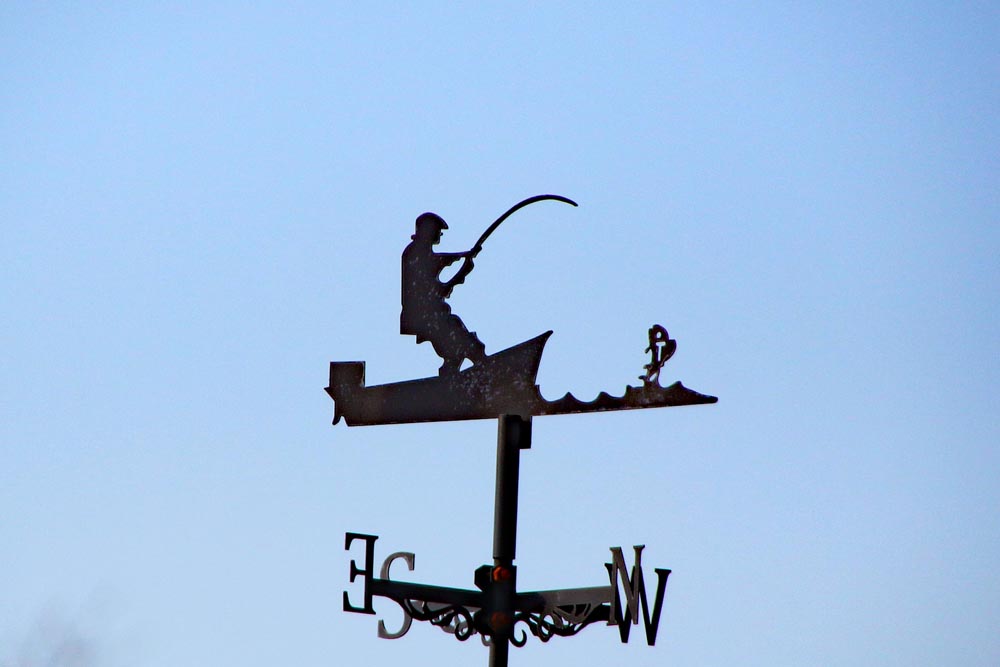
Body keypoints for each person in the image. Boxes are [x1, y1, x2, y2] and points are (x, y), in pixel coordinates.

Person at [400, 212, 487, 375]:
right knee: (462, 339)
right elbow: (438, 264)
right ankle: (484, 367)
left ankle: (455, 369)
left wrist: (464, 261)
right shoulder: (416, 253)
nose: (440, 234)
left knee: (456, 347)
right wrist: (464, 259)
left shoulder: (420, 253)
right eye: (438, 230)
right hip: (425, 315)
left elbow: (440, 265)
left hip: (431, 313)